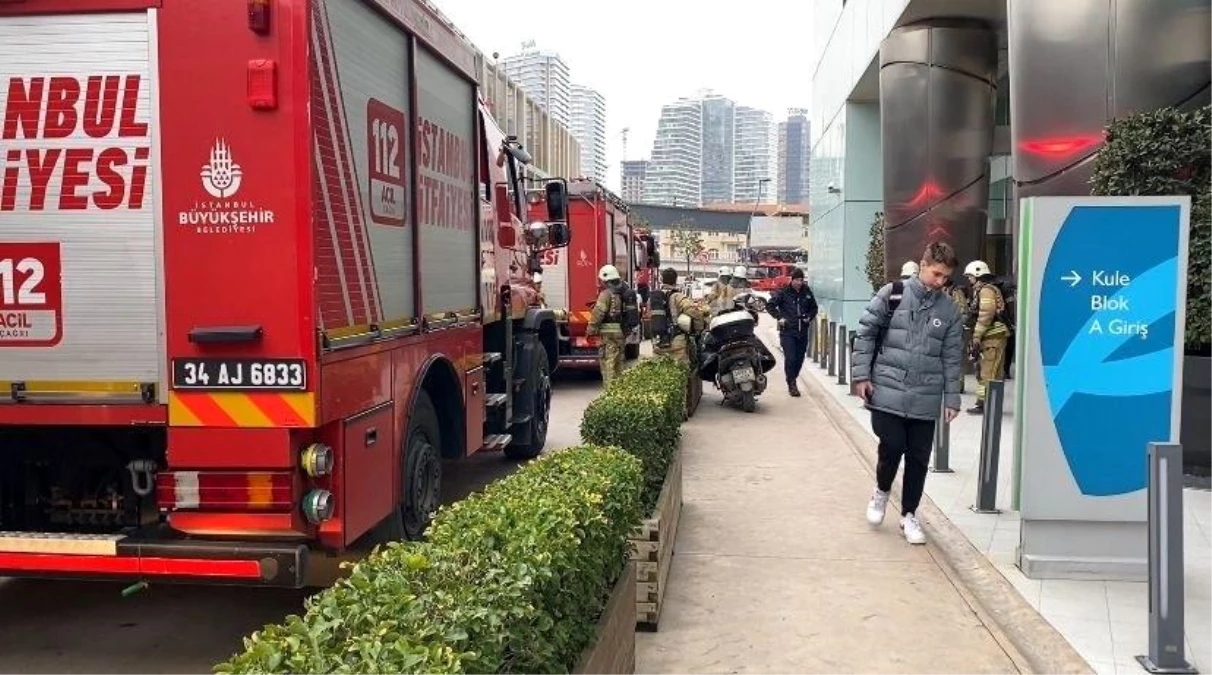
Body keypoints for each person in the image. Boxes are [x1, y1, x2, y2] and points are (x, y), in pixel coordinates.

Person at [852, 241, 963, 545]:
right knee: (892, 446)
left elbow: (953, 357)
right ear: (923, 265)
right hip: (887, 387)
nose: (940, 282)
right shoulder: (893, 294)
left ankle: (909, 515)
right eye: (936, 274)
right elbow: (865, 334)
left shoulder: (950, 309)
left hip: (926, 396)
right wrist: (861, 376)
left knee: (918, 457)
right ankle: (881, 492)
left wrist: (952, 397)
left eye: (946, 277)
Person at [963, 260, 1010, 415]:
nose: (970, 281)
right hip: (991, 337)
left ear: (978, 275)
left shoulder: (986, 290)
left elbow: (986, 314)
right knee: (988, 372)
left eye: (970, 277)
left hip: (993, 338)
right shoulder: (985, 290)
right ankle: (985, 404)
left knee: (989, 373)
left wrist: (977, 335)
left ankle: (986, 405)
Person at [766, 267, 818, 397]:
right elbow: (770, 305)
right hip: (788, 332)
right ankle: (792, 383)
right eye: (797, 280)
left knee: (799, 359)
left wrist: (809, 317)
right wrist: (779, 317)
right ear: (792, 280)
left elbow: (814, 308)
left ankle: (792, 377)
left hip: (802, 331)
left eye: (801, 280)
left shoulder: (807, 292)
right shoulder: (784, 292)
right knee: (791, 358)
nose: (799, 283)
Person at [650, 267, 707, 364]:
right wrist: (698, 330)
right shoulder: (678, 296)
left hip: (657, 342)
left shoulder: (654, 297)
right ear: (675, 280)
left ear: (662, 279)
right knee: (685, 371)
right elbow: (695, 312)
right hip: (676, 342)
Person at [587, 264, 626, 386]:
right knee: (619, 365)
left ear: (606, 280)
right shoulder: (622, 294)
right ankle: (619, 394)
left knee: (608, 366)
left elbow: (598, 314)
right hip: (620, 334)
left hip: (608, 337)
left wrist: (590, 330)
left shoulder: (606, 294)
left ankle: (609, 394)